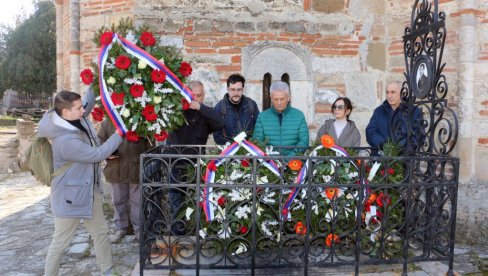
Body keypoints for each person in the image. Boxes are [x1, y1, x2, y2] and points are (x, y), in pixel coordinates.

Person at [40, 89, 123, 276]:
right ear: (65, 112)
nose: (83, 111)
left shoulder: (76, 118)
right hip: (68, 198)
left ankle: (108, 271)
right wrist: (119, 133)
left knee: (100, 233)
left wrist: (99, 75)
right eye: (78, 108)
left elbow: (88, 101)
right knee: (60, 243)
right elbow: (97, 155)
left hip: (87, 191)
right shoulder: (64, 140)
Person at [167, 80, 224, 235]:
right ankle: (178, 235)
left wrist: (200, 107)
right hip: (176, 164)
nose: (197, 98)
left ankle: (196, 231)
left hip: (195, 166)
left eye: (200, 95)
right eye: (194, 96)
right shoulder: (176, 111)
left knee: (196, 200)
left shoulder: (205, 113)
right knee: (176, 200)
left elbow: (220, 122)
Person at [97, 119, 151, 243]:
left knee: (137, 201)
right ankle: (120, 228)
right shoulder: (107, 123)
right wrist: (106, 153)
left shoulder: (140, 120)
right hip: (116, 168)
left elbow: (150, 145)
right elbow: (99, 142)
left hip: (136, 169)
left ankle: (138, 229)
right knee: (118, 201)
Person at [253, 81, 309, 156]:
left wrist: (288, 159)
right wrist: (273, 159)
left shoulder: (299, 116)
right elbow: (257, 141)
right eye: (275, 99)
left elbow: (303, 142)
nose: (279, 103)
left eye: (282, 99)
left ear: (288, 98)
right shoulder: (262, 117)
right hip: (269, 164)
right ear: (271, 98)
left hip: (294, 164)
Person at [366, 81, 423, 153]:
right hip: (381, 158)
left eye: (393, 92)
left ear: (402, 93)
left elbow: (418, 135)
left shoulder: (414, 111)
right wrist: (386, 146)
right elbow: (370, 132)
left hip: (405, 160)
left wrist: (399, 149)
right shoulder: (379, 111)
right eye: (387, 92)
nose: (389, 96)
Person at [213, 73, 259, 145]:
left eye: (239, 90)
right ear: (227, 89)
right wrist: (231, 146)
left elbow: (258, 129)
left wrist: (250, 144)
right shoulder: (219, 107)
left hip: (250, 149)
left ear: (243, 89)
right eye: (233, 89)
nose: (236, 93)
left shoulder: (252, 105)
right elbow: (217, 135)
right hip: (228, 151)